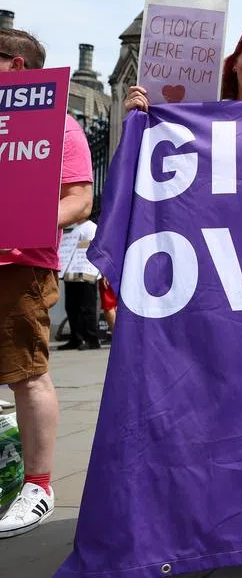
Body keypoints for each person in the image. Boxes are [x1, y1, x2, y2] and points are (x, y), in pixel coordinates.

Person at [0, 27, 93, 537]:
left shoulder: (61, 126)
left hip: (20, 263)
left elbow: (80, 198)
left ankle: (38, 486)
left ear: (15, 67)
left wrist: (24, 222)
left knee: (26, 372)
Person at [58, 219, 101, 351]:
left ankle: (92, 339)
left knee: (87, 308)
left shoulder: (91, 227)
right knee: (71, 307)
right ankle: (75, 338)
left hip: (86, 274)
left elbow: (95, 248)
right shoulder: (74, 229)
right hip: (71, 274)